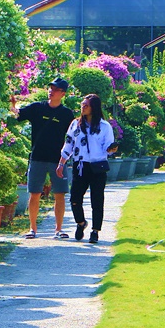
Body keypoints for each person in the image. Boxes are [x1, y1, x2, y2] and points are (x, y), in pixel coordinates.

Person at [13, 77, 75, 239]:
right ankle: (32, 229)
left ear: (63, 93)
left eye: (55, 89)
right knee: (34, 193)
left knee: (59, 194)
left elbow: (73, 136)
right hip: (37, 158)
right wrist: (12, 106)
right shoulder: (37, 108)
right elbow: (18, 114)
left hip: (58, 160)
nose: (51, 91)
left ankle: (58, 229)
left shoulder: (67, 114)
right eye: (50, 88)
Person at [57, 93, 117, 244]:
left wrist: (111, 150)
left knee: (97, 199)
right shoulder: (75, 124)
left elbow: (107, 146)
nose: (83, 107)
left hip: (98, 166)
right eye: (82, 104)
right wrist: (61, 163)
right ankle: (81, 223)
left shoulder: (104, 127)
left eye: (86, 105)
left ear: (94, 108)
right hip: (80, 165)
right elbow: (69, 144)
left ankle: (95, 231)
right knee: (75, 198)